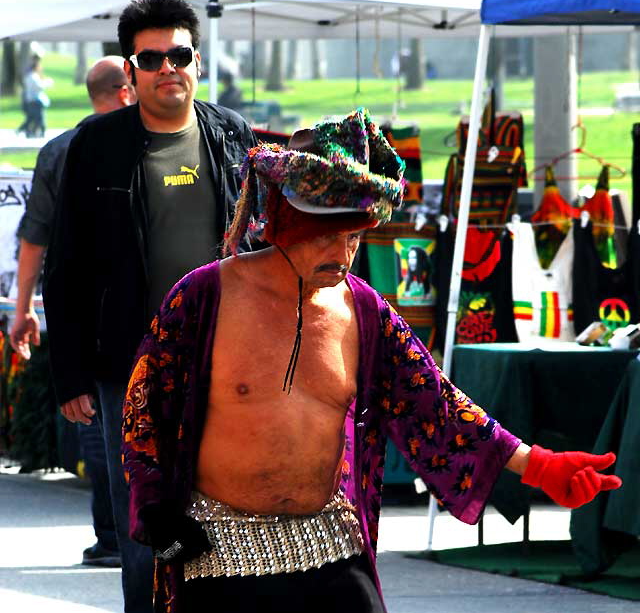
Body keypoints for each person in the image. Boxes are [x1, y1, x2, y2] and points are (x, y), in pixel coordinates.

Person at [121, 108, 622, 613]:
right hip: (219, 553)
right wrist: (160, 526)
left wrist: (538, 465)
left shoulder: (366, 312)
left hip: (332, 548)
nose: (343, 254)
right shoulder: (205, 296)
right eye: (328, 235)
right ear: (286, 222)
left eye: (355, 237)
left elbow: (437, 405)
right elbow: (144, 411)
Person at [43, 0, 256, 613]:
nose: (169, 67)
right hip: (127, 365)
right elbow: (67, 265)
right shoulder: (95, 145)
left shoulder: (229, 134)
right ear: (130, 70)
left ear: (199, 61)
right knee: (144, 515)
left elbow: (256, 239)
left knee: (224, 509)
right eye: (152, 57)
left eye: (180, 54)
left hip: (226, 358)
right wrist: (71, 373)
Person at [11, 55, 136, 568]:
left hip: (77, 311)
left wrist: (24, 309)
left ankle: (111, 537)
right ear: (126, 88)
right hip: (138, 308)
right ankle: (143, 541)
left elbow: (33, 237)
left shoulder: (57, 149)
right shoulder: (141, 139)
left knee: (97, 426)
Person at [17, 55, 53, 138]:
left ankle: (29, 132)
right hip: (34, 100)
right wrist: (48, 82)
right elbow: (39, 86)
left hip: (31, 100)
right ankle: (37, 132)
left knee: (31, 118)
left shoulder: (31, 75)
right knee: (37, 118)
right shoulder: (32, 76)